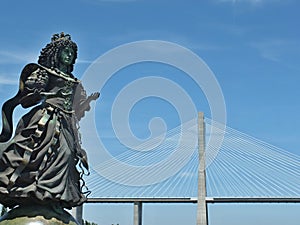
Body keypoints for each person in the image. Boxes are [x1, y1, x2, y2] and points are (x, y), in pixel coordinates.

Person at [0, 32, 99, 210]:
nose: (70, 55)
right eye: (66, 51)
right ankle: (33, 192)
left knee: (67, 157)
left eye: (72, 53)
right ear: (56, 53)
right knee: (37, 153)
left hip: (67, 123)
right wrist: (35, 93)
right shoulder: (44, 73)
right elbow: (26, 101)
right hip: (46, 120)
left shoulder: (75, 81)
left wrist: (88, 101)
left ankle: (53, 196)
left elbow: (76, 110)